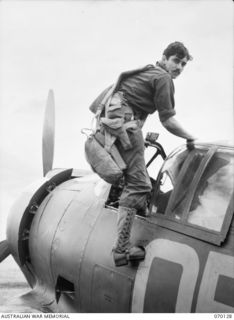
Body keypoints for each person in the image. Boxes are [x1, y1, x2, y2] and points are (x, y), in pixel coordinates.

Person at [89, 41, 196, 266]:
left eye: (184, 64)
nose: (179, 67)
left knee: (136, 181)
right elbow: (168, 120)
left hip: (110, 129)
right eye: (176, 61)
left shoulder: (146, 71)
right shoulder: (163, 78)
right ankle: (121, 250)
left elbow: (99, 104)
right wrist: (190, 137)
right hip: (127, 128)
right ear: (165, 58)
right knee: (140, 186)